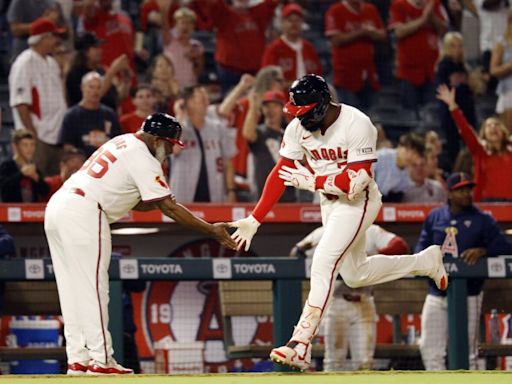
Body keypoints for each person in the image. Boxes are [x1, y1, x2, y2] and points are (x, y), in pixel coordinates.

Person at [229, 74, 448, 371]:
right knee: (356, 274)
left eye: (303, 112)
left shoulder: (357, 123)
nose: (298, 119)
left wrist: (311, 181)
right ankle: (425, 262)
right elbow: (281, 172)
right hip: (329, 203)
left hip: (359, 201)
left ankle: (301, 343)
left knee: (323, 261)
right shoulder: (297, 128)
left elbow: (356, 182)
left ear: (321, 105)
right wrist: (255, 218)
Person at [44, 113, 237, 375]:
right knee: (94, 289)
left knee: (72, 289)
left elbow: (140, 200)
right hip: (85, 211)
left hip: (58, 206)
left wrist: (161, 199)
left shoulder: (122, 141)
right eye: (170, 144)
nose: (170, 151)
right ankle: (102, 361)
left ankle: (78, 360)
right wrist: (211, 230)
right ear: (157, 139)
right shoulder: (145, 157)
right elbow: (168, 208)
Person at [417, 172, 512, 370]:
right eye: (461, 190)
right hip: (437, 294)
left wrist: (483, 251)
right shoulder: (435, 217)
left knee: (468, 353)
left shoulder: (483, 219)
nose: (467, 194)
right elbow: (420, 249)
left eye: (469, 189)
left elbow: (505, 246)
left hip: (469, 295)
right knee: (429, 349)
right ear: (450, 194)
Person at [290, 224, 409, 371]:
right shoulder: (324, 232)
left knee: (364, 362)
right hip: (337, 303)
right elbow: (294, 255)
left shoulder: (370, 230)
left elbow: (401, 246)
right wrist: (302, 250)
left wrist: (371, 259)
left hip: (363, 301)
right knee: (334, 360)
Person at [8, 16, 68, 176]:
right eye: (53, 36)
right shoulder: (24, 62)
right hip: (37, 138)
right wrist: (33, 136)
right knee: (35, 185)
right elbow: (21, 103)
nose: (56, 40)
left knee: (53, 189)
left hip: (56, 136)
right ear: (44, 38)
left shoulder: (51, 62)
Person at [437, 84, 512, 201]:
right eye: (488, 126)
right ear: (484, 133)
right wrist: (453, 106)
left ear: (503, 131)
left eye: (496, 124)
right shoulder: (479, 150)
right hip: (487, 201)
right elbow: (465, 129)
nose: (493, 127)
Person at [170, 85, 237, 203]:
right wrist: (179, 115)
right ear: (189, 102)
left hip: (214, 194)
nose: (207, 103)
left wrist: (231, 190)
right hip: (183, 196)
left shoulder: (218, 127)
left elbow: (228, 162)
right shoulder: (178, 128)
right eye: (202, 99)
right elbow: (174, 149)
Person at [325, 0, 386, 111]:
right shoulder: (336, 10)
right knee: (348, 115)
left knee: (370, 115)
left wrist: (371, 33)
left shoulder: (370, 9)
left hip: (368, 73)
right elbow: (336, 39)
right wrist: (362, 33)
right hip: (345, 74)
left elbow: (383, 35)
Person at [243, 90, 296, 201]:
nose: (270, 110)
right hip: (263, 197)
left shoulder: (288, 135)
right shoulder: (259, 132)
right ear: (262, 109)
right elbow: (247, 134)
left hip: (288, 197)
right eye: (267, 106)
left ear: (282, 110)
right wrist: (253, 107)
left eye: (275, 106)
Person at [59, 71, 122, 156]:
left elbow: (117, 142)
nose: (95, 92)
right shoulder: (71, 116)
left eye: (98, 87)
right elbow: (67, 146)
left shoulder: (110, 114)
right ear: (82, 88)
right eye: (91, 87)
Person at [261, 3, 322, 84]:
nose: (294, 24)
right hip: (283, 95)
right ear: (282, 23)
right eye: (290, 20)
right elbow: (267, 80)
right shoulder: (274, 49)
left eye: (297, 20)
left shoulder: (309, 48)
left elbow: (318, 76)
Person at [374, 132, 425, 202]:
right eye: (407, 150)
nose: (409, 156)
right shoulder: (381, 156)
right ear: (399, 147)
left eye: (414, 153)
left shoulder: (408, 174)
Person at [0, 129, 48, 202]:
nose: (30, 149)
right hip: (11, 210)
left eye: (32, 145)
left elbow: (45, 192)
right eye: (25, 145)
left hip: (31, 211)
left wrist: (37, 178)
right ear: (15, 146)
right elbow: (3, 187)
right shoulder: (7, 165)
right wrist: (21, 174)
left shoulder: (34, 168)